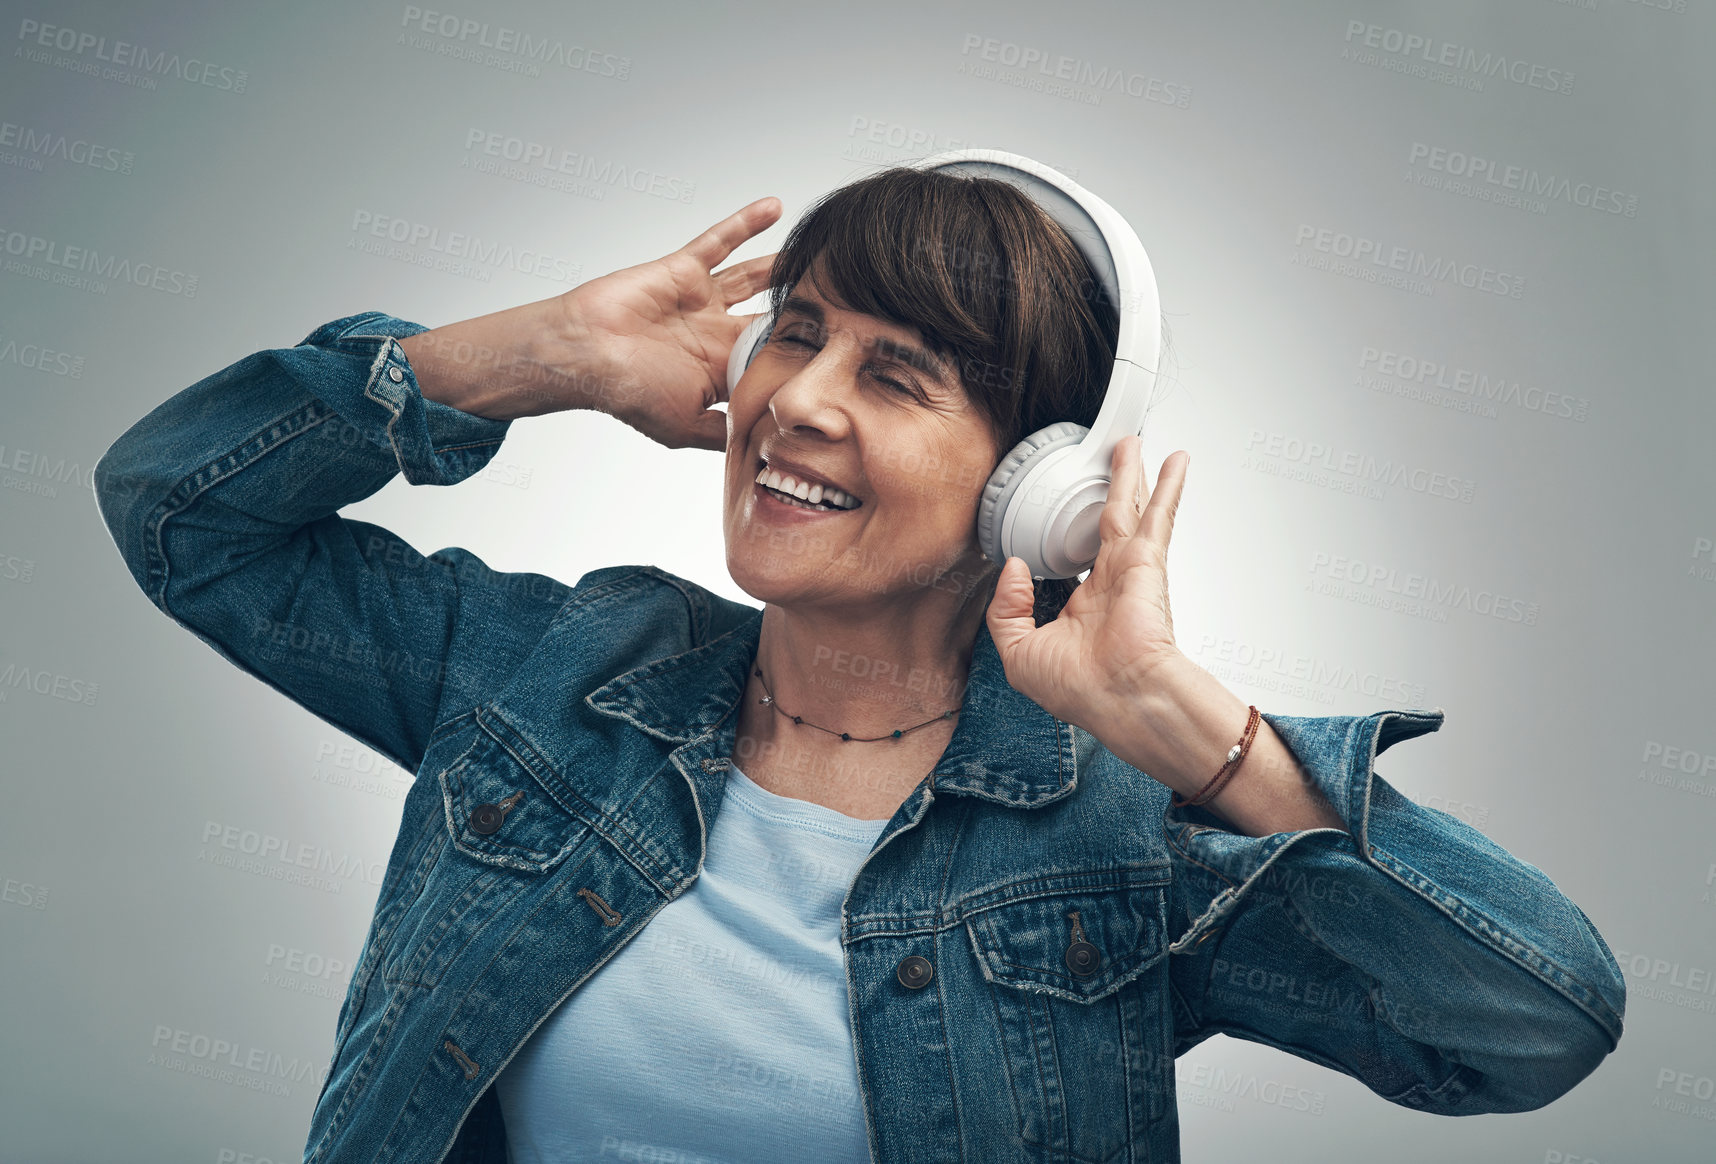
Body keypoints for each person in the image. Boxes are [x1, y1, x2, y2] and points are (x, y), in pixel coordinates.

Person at [94, 164, 1625, 1163]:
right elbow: (184, 513)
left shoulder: (1126, 841)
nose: (799, 402)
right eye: (796, 335)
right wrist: (537, 354)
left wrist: (1183, 724)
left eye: (894, 375)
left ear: (1040, 482)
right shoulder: (552, 671)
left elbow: (1531, 1023)